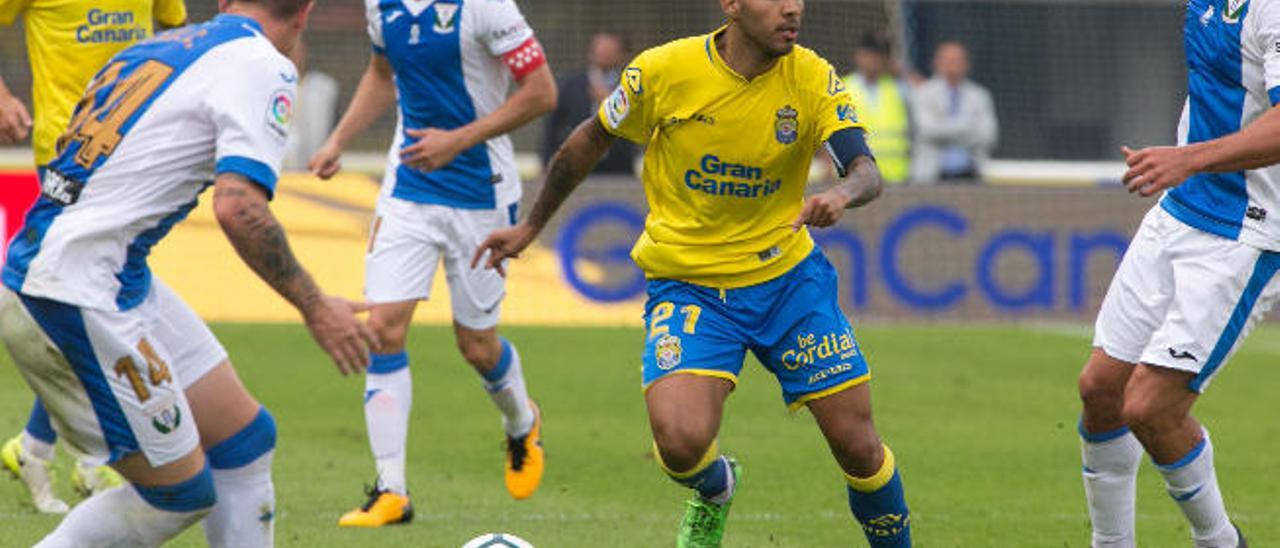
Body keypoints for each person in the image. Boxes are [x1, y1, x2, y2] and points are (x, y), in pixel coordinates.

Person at [476, 0, 910, 546]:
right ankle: (716, 487)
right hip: (691, 287)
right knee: (680, 443)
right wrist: (531, 227)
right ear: (731, 5)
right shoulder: (663, 71)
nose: (792, 8)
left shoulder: (812, 76)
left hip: (788, 284)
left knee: (858, 444)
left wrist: (843, 192)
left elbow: (866, 170)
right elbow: (590, 138)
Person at [0, 1, 378, 546]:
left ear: (224, 2)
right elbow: (239, 207)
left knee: (246, 439)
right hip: (73, 294)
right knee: (178, 496)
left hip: (99, 274)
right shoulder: (262, 65)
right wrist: (317, 308)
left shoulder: (156, 49)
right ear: (307, 10)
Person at [308, 0, 557, 527]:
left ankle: (520, 422)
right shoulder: (380, 6)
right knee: (382, 327)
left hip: (482, 196)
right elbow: (382, 73)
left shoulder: (487, 7)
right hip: (408, 192)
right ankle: (391, 490)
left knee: (476, 345)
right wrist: (338, 139)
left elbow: (542, 93)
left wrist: (458, 140)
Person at [1076, 1, 1280, 546]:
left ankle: (1220, 540)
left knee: (1149, 408)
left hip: (1243, 234)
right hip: (1178, 211)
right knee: (1100, 390)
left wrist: (1189, 158)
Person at [0, 0, 190, 514]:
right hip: (68, 152)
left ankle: (41, 447)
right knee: (84, 302)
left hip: (137, 152)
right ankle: (82, 455)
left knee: (92, 302)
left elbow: (181, 34)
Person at [541, 32, 637, 175]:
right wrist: (547, 161)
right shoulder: (570, 84)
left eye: (609, 51)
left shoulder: (631, 85)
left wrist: (609, 102)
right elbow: (552, 127)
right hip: (576, 166)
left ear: (621, 55)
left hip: (619, 168)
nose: (604, 54)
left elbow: (638, 126)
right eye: (600, 50)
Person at [910, 41, 997, 184]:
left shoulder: (979, 95)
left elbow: (988, 135)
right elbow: (928, 130)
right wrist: (967, 125)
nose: (952, 65)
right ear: (936, 62)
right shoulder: (923, 93)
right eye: (947, 60)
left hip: (971, 175)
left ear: (967, 64)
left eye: (957, 60)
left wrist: (944, 125)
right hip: (932, 176)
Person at [843, 32, 911, 185]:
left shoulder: (898, 87)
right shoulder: (843, 87)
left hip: (897, 175)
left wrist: (901, 72)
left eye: (881, 56)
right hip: (858, 175)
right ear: (859, 56)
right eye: (870, 54)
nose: (874, 60)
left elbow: (924, 93)